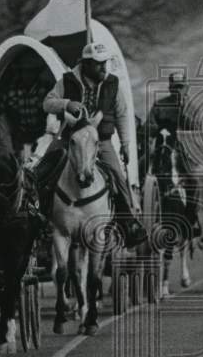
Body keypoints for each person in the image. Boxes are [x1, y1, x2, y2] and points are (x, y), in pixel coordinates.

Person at [41, 41, 147, 247]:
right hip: (71, 138)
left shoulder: (112, 84)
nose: (103, 67)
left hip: (102, 140)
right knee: (44, 166)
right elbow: (47, 103)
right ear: (86, 63)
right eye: (98, 64)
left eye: (104, 63)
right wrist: (66, 104)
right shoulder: (67, 81)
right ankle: (38, 211)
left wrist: (125, 144)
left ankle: (128, 222)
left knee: (117, 174)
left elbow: (122, 115)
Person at [146, 71, 201, 235]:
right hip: (161, 149)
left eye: (181, 87)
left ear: (186, 88)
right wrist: (157, 130)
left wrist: (184, 113)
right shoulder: (160, 106)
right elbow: (149, 126)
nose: (177, 90)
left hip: (182, 152)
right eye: (174, 87)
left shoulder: (191, 109)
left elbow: (198, 130)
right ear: (169, 88)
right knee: (143, 173)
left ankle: (190, 220)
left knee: (192, 181)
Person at [0, 54, 52, 157]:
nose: (27, 75)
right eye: (24, 71)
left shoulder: (45, 89)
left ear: (36, 72)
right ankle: (9, 157)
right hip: (20, 135)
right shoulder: (12, 90)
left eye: (31, 71)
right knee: (0, 120)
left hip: (41, 135)